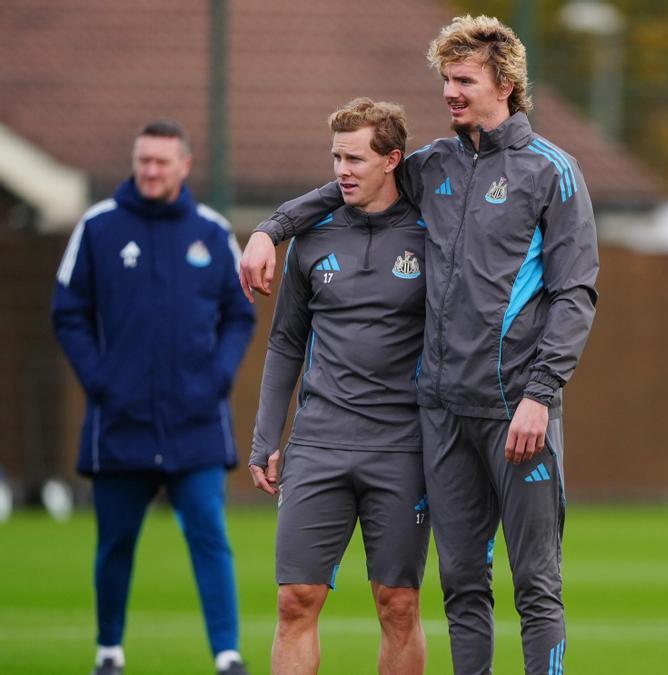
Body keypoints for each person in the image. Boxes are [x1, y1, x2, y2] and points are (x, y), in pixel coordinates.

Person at [239, 15, 599, 674]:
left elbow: (575, 296)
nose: (450, 93)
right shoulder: (431, 163)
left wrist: (541, 394)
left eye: (463, 80)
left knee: (538, 588)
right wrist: (272, 229)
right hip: (440, 416)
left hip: (519, 413)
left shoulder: (554, 171)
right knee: (462, 588)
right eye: (446, 81)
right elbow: (353, 181)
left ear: (506, 83)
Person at [52, 119, 255, 675]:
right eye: (143, 160)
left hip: (195, 422)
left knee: (210, 536)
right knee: (114, 543)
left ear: (184, 166)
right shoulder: (98, 228)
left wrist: (216, 376)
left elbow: (240, 314)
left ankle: (227, 655)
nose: (150, 170)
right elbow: (66, 312)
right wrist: (100, 380)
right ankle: (109, 651)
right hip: (120, 421)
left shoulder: (212, 233)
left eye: (162, 162)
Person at [248, 98, 429, 674]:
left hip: (403, 448)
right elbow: (284, 344)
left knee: (397, 605)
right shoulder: (311, 239)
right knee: (294, 601)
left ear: (392, 159)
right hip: (319, 443)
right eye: (336, 157)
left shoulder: (434, 234)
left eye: (355, 158)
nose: (341, 170)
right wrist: (264, 436)